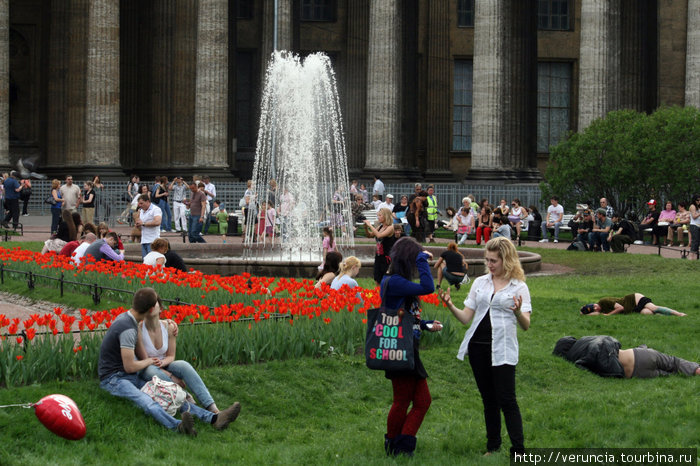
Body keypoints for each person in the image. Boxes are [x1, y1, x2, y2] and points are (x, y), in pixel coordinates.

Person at [98, 288, 240, 435]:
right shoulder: (128, 328)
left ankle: (214, 418)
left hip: (130, 375)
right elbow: (129, 366)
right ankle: (178, 426)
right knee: (147, 401)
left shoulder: (130, 320)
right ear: (152, 308)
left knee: (164, 394)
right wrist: (148, 362)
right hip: (114, 379)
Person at [438, 236, 531, 455]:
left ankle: (519, 450)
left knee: (507, 400)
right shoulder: (480, 283)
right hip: (478, 348)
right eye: (487, 260)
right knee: (489, 399)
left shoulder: (519, 287)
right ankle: (493, 446)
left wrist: (517, 312)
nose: (489, 264)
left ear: (506, 261)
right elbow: (465, 318)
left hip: (503, 349)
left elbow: (526, 325)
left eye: (493, 261)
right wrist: (450, 305)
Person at [379, 236, 442, 457]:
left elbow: (404, 315)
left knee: (418, 401)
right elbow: (428, 286)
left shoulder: (395, 281)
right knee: (406, 400)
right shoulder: (394, 281)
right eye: (414, 261)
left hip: (406, 346)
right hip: (400, 349)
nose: (417, 266)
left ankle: (398, 446)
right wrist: (423, 258)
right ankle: (400, 447)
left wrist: (424, 324)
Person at [135, 297, 235, 415]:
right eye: (148, 304)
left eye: (154, 304)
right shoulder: (139, 330)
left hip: (164, 363)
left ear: (161, 309)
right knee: (152, 370)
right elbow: (144, 359)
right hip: (146, 367)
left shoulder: (169, 327)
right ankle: (185, 395)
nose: (150, 307)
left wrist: (164, 365)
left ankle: (213, 408)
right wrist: (171, 376)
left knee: (184, 365)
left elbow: (171, 356)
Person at [553, 336, 700, 378]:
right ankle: (697, 370)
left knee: (669, 374)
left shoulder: (579, 360)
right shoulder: (587, 342)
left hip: (636, 374)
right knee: (675, 363)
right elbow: (610, 341)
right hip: (640, 356)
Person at [364, 208, 397, 285]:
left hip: (387, 257)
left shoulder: (390, 227)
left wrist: (370, 225)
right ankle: (378, 295)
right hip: (379, 256)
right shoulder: (380, 227)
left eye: (380, 215)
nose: (378, 217)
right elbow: (370, 235)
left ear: (385, 216)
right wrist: (366, 227)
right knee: (377, 278)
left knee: (386, 279)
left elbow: (379, 235)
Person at [579, 293, 686, 316]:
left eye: (593, 306)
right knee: (648, 313)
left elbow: (620, 308)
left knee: (654, 307)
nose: (595, 308)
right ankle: (668, 317)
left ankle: (679, 314)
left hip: (633, 299)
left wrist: (609, 315)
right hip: (632, 309)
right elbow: (586, 314)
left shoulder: (603, 301)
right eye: (593, 309)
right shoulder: (600, 311)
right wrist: (584, 312)